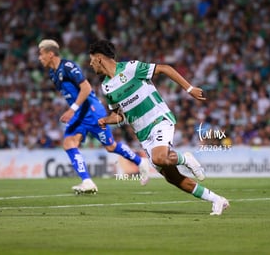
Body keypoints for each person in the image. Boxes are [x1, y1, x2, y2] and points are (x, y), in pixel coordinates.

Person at [89, 40, 229, 215]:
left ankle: (185, 158)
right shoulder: (106, 87)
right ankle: (217, 200)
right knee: (172, 178)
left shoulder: (130, 68)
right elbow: (120, 115)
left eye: (92, 59)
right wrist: (105, 121)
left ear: (100, 58)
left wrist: (190, 88)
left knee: (159, 158)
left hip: (158, 119)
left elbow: (165, 68)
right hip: (143, 134)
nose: (90, 63)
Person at [38, 39, 149, 194]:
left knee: (110, 146)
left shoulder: (68, 67)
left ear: (50, 54)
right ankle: (87, 182)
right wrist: (74, 110)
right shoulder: (53, 73)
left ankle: (140, 161)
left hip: (91, 111)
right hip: (79, 114)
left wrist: (72, 109)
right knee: (69, 143)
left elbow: (86, 88)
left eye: (41, 54)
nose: (39, 58)